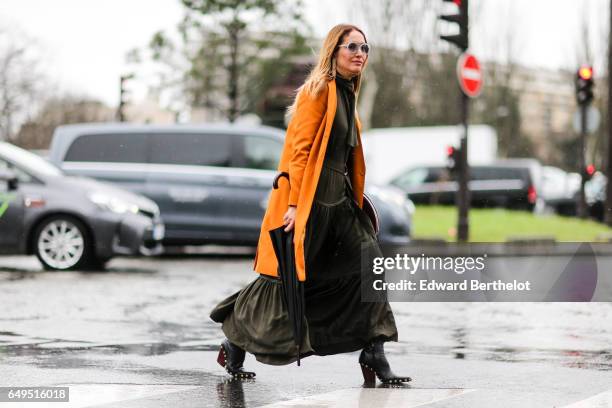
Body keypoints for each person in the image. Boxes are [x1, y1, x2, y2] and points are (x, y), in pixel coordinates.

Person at [209, 23, 411, 385]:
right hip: (311, 200)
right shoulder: (318, 91)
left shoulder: (348, 94)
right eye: (351, 47)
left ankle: (374, 351)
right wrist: (293, 205)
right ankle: (236, 339)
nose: (360, 54)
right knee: (284, 281)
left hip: (341, 203)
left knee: (369, 267)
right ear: (333, 51)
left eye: (365, 48)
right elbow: (298, 154)